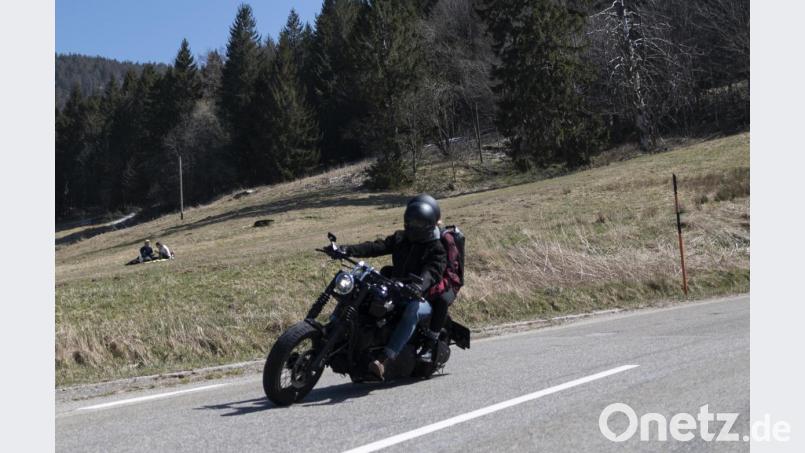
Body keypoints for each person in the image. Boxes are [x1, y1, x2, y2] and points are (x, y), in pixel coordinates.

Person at [339, 196, 447, 380]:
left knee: (413, 309)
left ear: (429, 224)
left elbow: (432, 272)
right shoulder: (400, 238)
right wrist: (346, 249)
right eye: (410, 221)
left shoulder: (436, 248)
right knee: (361, 293)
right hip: (396, 289)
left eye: (418, 222)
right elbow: (376, 246)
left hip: (420, 297)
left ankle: (385, 359)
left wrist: (418, 286)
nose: (413, 226)